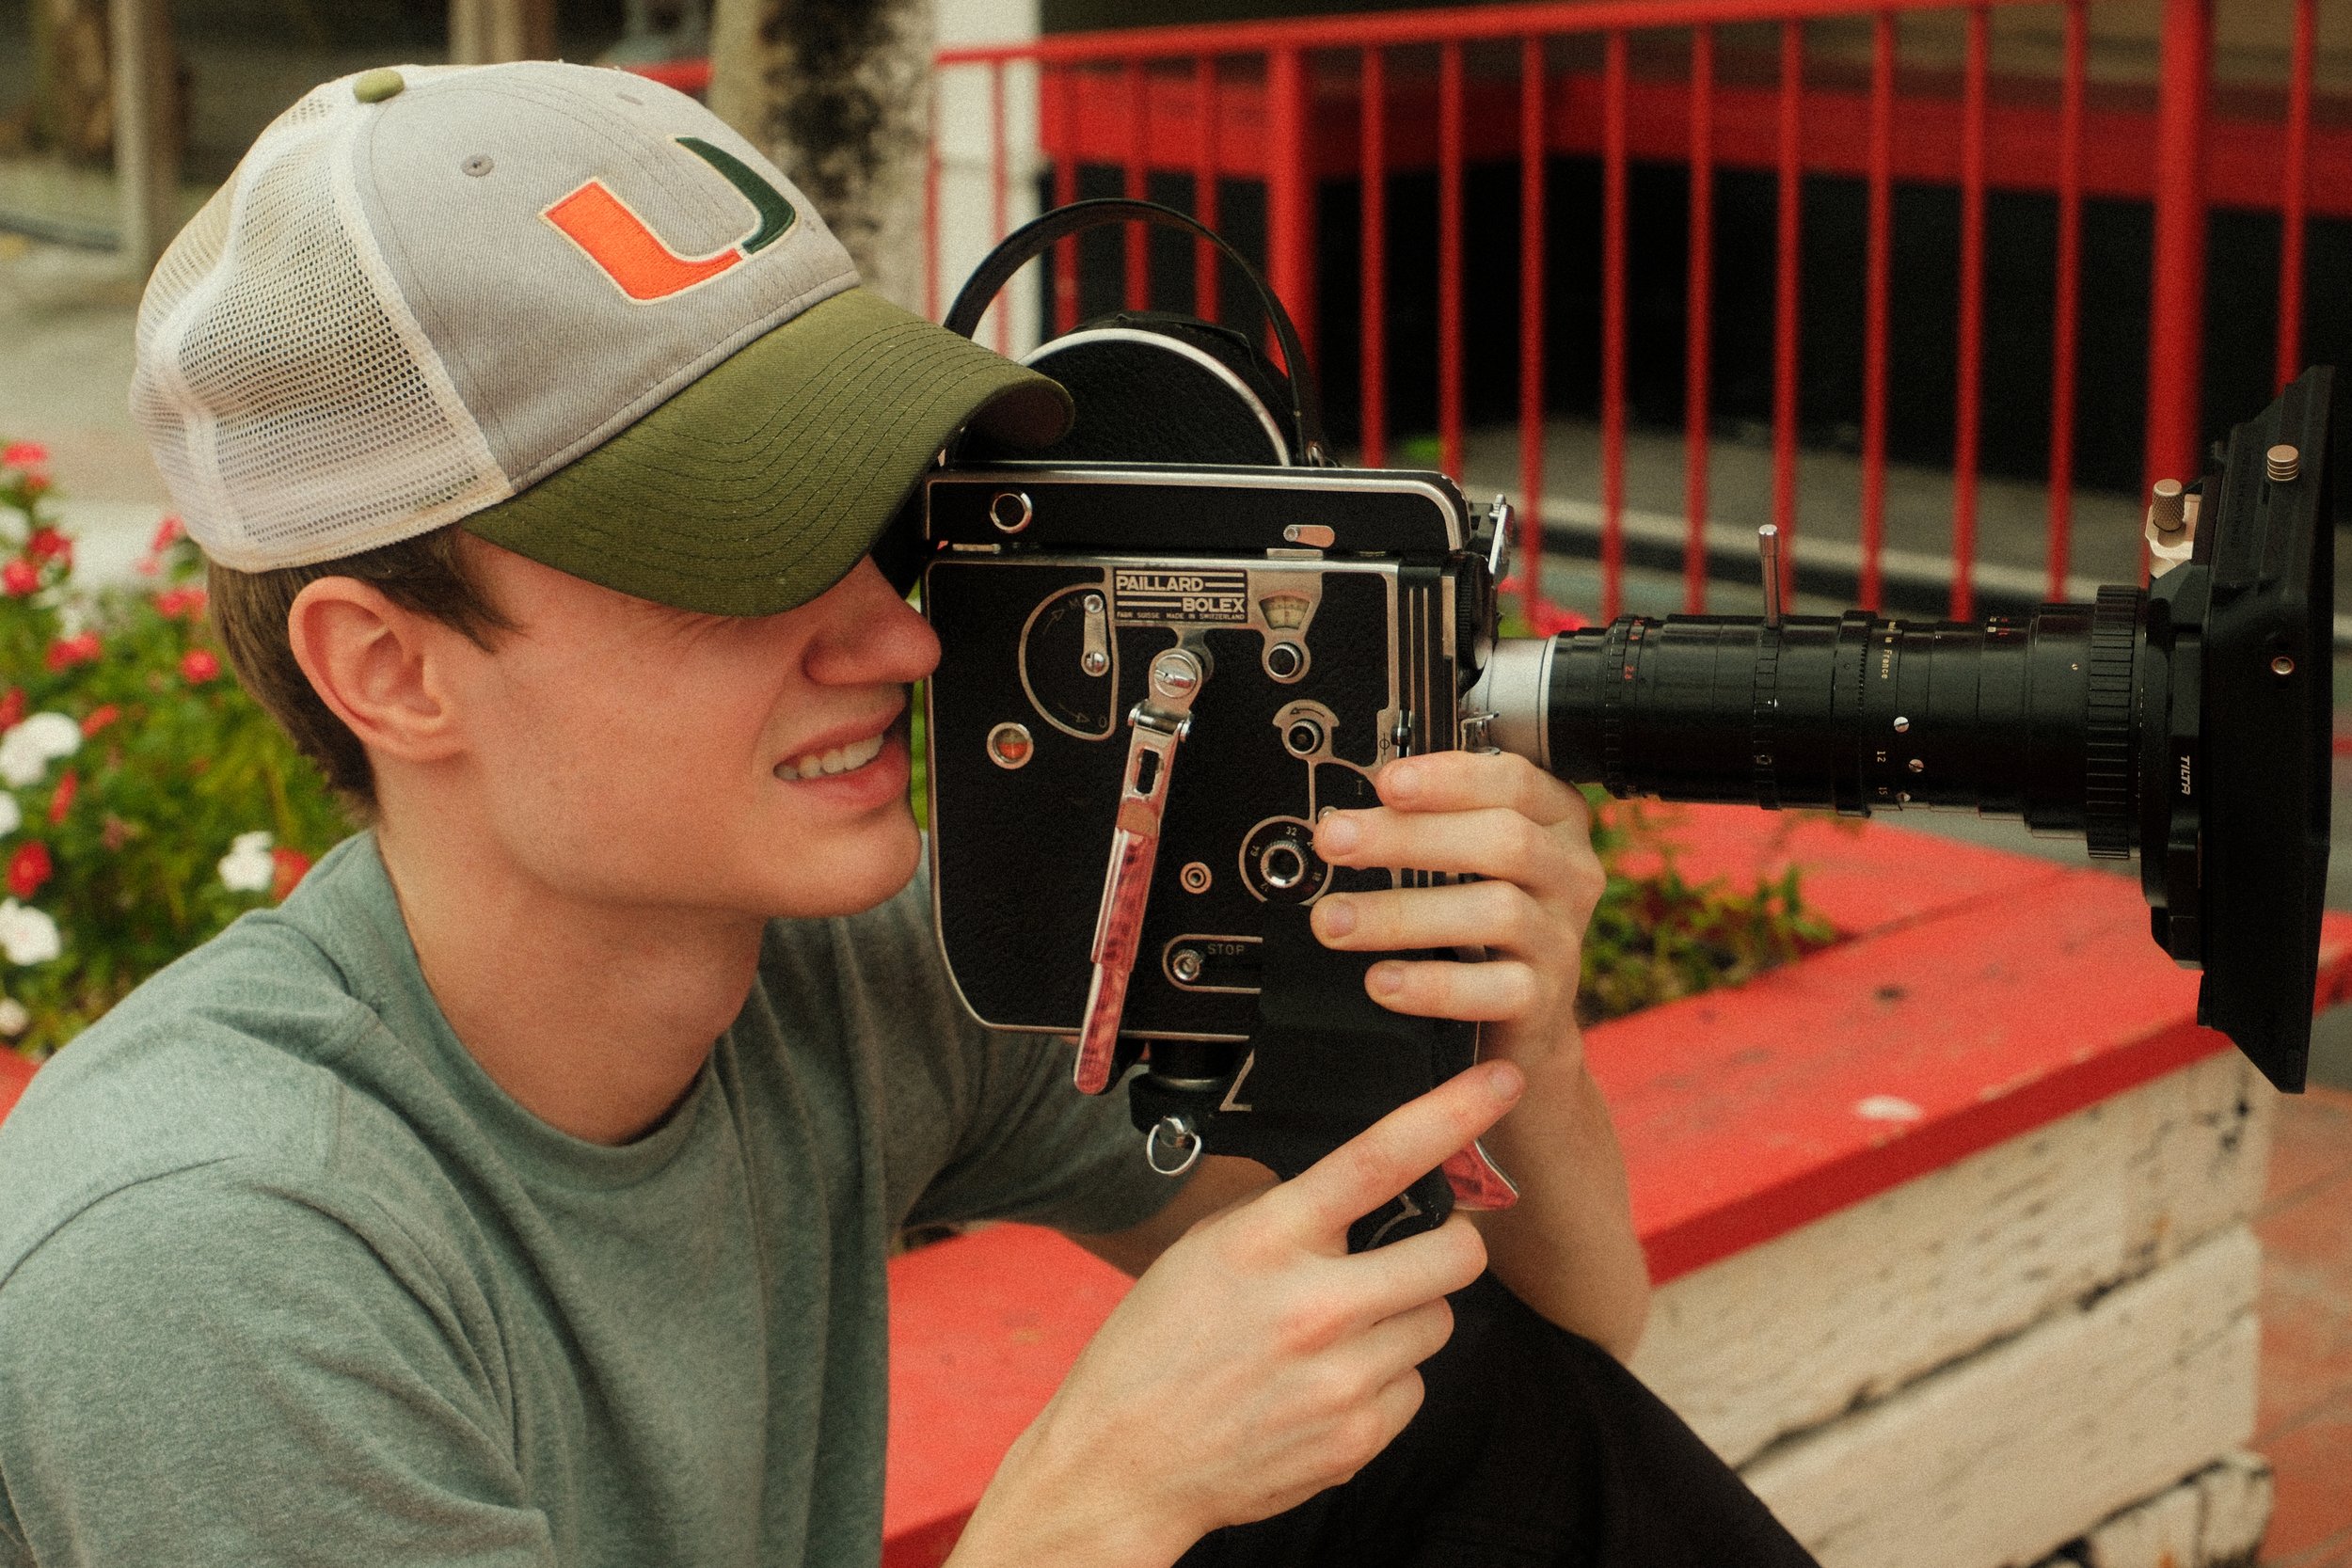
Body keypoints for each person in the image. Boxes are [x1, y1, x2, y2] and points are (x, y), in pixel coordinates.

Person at [0, 61, 1819, 1568]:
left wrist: (1515, 1037)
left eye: (873, 516)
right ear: (391, 670)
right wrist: (1087, 1513)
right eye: (736, 556)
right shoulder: (211, 1259)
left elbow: (1536, 1369)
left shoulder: (856, 977)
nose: (899, 633)